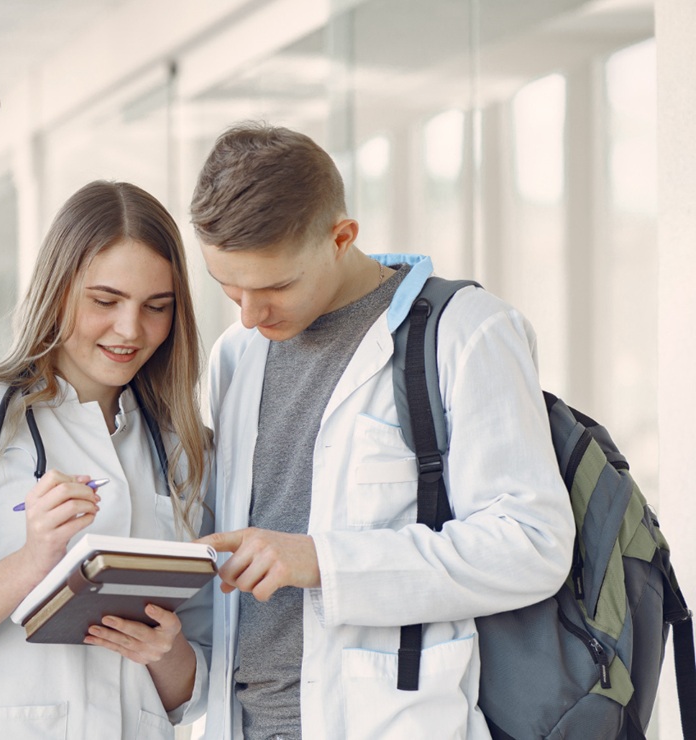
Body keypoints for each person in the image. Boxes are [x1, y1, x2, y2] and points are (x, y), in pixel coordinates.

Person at [188, 123, 575, 739]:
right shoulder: (237, 355)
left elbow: (533, 544)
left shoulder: (464, 331)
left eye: (275, 287)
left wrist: (323, 561)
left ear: (342, 238)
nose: (250, 315)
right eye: (228, 287)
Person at [0, 180, 213, 739]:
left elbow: (194, 690)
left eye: (156, 307)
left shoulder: (187, 451)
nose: (130, 330)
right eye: (105, 301)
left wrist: (167, 651)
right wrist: (31, 562)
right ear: (58, 290)